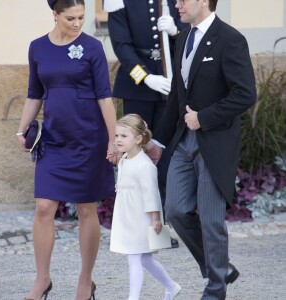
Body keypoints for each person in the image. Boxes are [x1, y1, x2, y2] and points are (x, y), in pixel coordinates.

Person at [146, 0, 257, 299]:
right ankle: (217, 267)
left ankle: (215, 288)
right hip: (183, 141)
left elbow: (245, 94)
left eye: (182, 0)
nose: (177, 5)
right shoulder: (182, 38)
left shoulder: (231, 39)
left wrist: (203, 118)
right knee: (176, 211)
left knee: (210, 220)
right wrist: (157, 142)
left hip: (215, 142)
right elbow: (176, 100)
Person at [16, 1, 118, 299]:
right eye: (70, 18)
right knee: (44, 207)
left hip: (89, 138)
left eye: (82, 18)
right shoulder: (37, 47)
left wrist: (113, 139)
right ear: (55, 15)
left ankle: (85, 280)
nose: (77, 24)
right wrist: (22, 130)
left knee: (85, 208)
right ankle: (42, 279)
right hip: (54, 139)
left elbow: (105, 97)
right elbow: (34, 94)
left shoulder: (92, 48)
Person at [104, 0, 188, 249]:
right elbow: (122, 46)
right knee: (135, 157)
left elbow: (192, 35)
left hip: (170, 81)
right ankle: (136, 226)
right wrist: (145, 77)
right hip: (138, 85)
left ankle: (161, 226)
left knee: (165, 156)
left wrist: (176, 31)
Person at [110, 114, 181, 300]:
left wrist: (156, 219)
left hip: (141, 218)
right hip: (128, 216)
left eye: (124, 136)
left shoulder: (145, 165)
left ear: (138, 139)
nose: (118, 140)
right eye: (117, 136)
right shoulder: (125, 158)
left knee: (134, 258)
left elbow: (152, 195)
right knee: (145, 259)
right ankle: (171, 286)